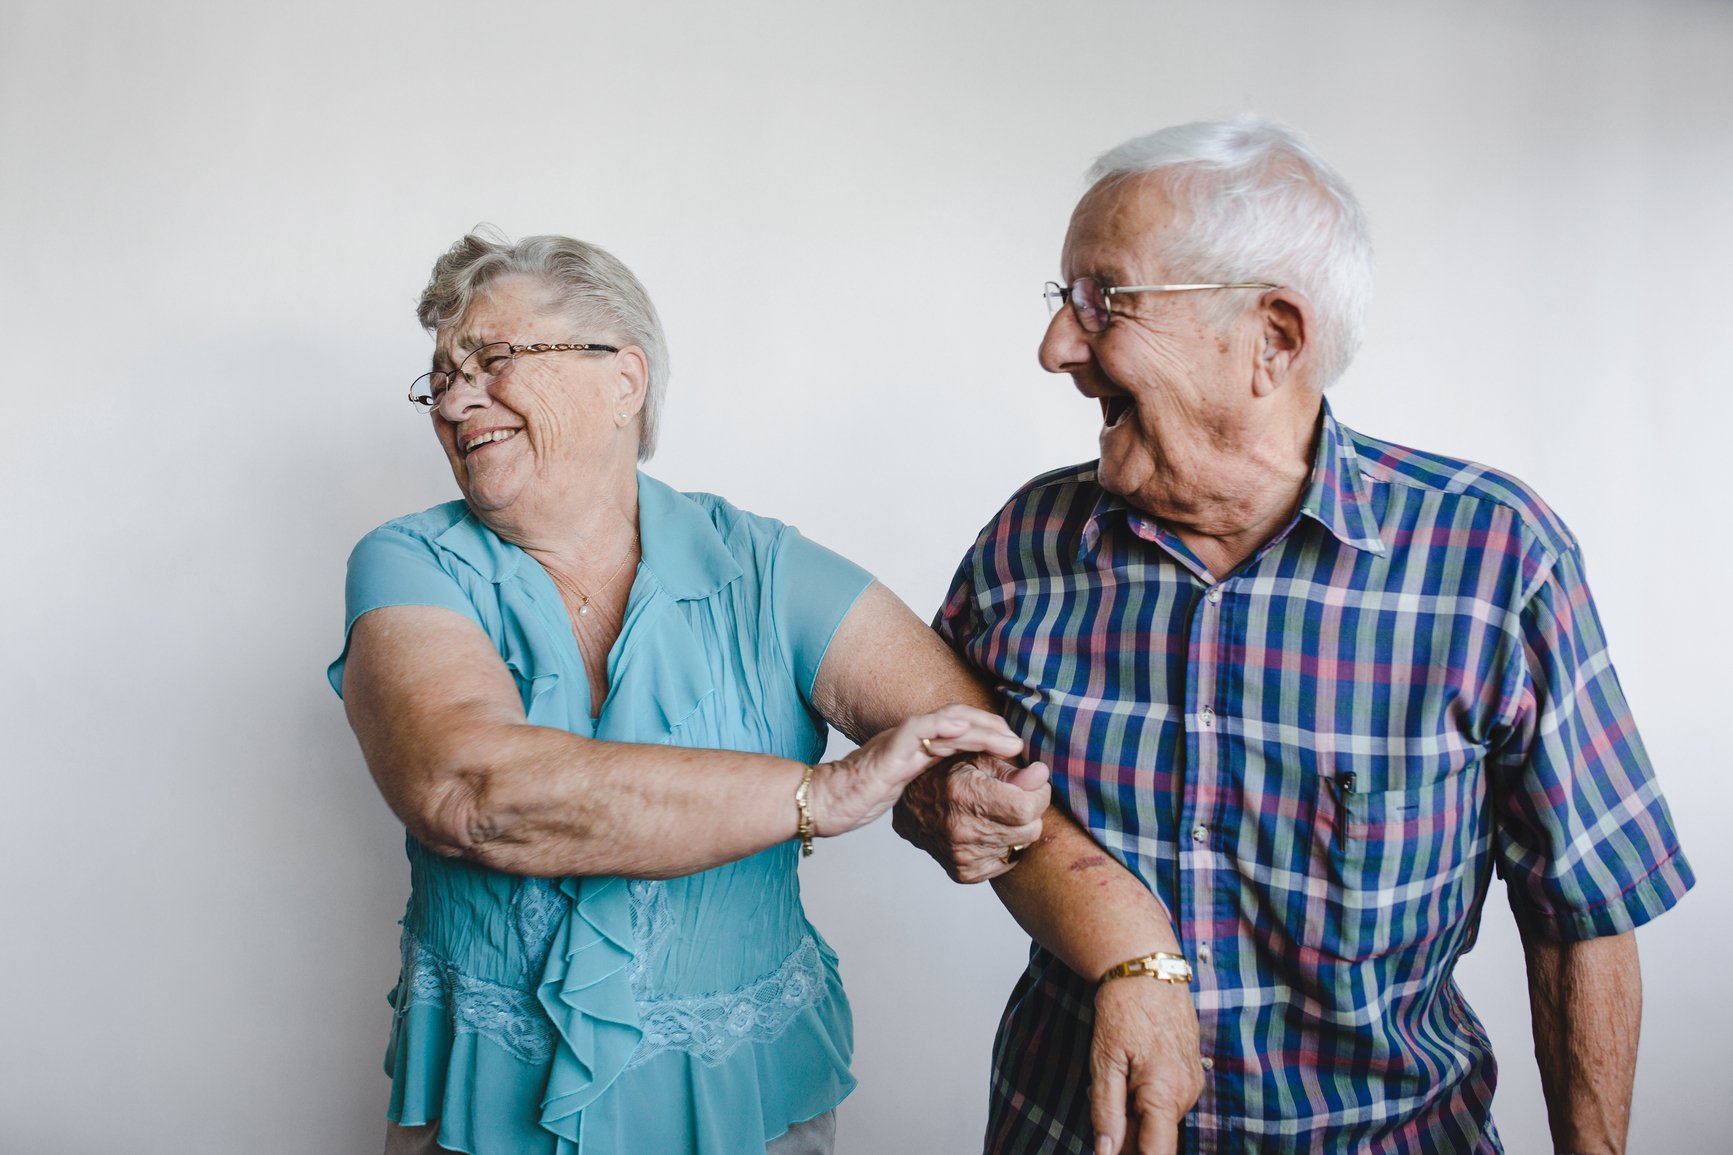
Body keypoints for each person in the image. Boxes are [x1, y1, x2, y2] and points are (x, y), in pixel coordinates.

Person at [897, 118, 1694, 1155]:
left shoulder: (1492, 559)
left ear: (1272, 338)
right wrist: (935, 804)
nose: (1055, 348)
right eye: (1062, 303)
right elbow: (925, 773)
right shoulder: (1025, 546)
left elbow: (1580, 914)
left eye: (1103, 300)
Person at [327, 231, 1075, 1155]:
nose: (455, 399)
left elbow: (972, 741)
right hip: (485, 1111)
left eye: (493, 359)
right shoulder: (410, 561)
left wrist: (956, 791)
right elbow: (470, 790)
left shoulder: (766, 567)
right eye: (439, 378)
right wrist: (825, 793)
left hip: (743, 1105)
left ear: (623, 378)